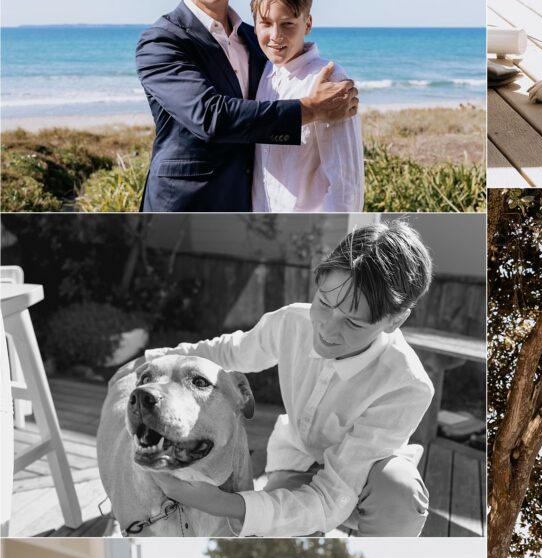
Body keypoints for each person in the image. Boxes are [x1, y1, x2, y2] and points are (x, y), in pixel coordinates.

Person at [132, 221, 434, 537]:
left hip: (365, 483)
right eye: (324, 303)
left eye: (353, 324)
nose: (328, 330)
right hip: (298, 461)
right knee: (279, 533)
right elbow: (229, 352)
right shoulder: (291, 322)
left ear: (394, 320)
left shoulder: (407, 385)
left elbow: (332, 495)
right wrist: (151, 360)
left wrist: (221, 503)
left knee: (399, 494)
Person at [136, 0, 359, 212]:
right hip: (185, 207)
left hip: (247, 210)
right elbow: (210, 116)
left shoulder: (256, 40)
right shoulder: (162, 40)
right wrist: (311, 108)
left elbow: (289, 76)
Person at [251, 0, 364, 212]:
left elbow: (347, 184)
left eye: (287, 24)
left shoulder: (329, 79)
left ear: (308, 24)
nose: (275, 35)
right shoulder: (263, 72)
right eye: (266, 23)